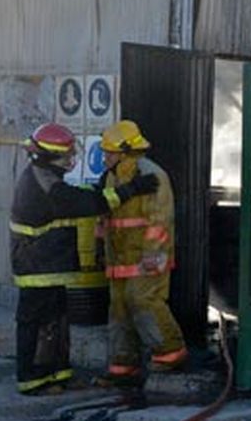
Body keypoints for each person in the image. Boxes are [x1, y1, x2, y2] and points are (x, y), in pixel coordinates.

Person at [10, 122, 159, 395]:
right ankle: (31, 380)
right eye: (65, 155)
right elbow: (84, 204)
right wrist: (130, 190)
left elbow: (76, 195)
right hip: (38, 265)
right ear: (49, 156)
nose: (69, 159)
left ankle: (58, 375)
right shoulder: (47, 184)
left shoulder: (44, 175)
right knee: (37, 323)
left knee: (56, 321)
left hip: (46, 265)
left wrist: (100, 186)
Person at [98, 119, 187, 386]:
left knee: (144, 303)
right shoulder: (111, 176)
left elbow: (160, 221)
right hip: (119, 259)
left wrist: (154, 255)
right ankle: (123, 366)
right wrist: (99, 249)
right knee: (119, 310)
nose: (105, 157)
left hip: (147, 258)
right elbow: (104, 218)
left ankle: (171, 353)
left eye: (109, 152)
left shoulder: (151, 176)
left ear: (125, 152)